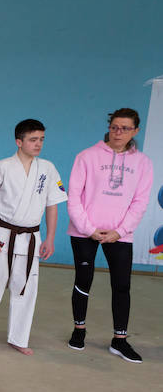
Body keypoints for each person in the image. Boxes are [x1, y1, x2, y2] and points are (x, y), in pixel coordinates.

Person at [0, 119, 67, 355]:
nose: (38, 144)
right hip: (2, 235)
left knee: (26, 289)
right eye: (33, 139)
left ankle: (19, 337)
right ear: (18, 141)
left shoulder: (48, 169)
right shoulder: (1, 167)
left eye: (41, 139)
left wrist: (50, 237)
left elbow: (52, 204)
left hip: (31, 237)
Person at [66, 108, 153, 363]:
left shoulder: (143, 163)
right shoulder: (86, 156)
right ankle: (79, 330)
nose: (118, 132)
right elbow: (73, 197)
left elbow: (140, 202)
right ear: (109, 128)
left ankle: (119, 340)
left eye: (125, 128)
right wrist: (89, 229)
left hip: (120, 234)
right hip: (84, 232)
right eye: (115, 127)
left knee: (122, 284)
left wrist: (120, 231)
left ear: (135, 131)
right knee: (83, 279)